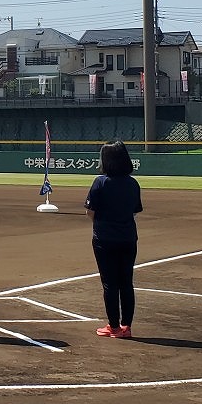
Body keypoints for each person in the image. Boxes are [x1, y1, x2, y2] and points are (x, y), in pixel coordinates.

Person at [86, 140, 143, 339]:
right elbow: (135, 211)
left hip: (104, 238)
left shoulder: (100, 182)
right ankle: (126, 326)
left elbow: (90, 212)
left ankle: (114, 326)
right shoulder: (133, 183)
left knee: (110, 283)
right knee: (126, 282)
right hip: (128, 237)